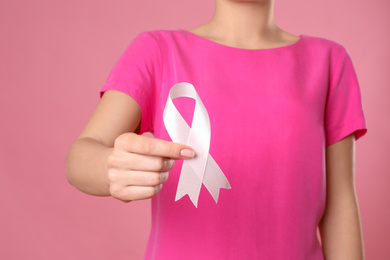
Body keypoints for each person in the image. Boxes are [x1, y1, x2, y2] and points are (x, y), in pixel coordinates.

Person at [65, 0, 367, 259]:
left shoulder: (329, 61)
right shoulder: (157, 51)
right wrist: (110, 167)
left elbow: (339, 206)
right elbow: (82, 154)